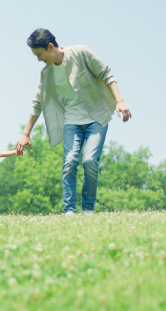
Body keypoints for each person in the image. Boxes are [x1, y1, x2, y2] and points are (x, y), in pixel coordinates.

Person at [13, 29, 132, 215]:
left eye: (39, 54)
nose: (38, 59)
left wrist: (120, 101)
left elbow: (106, 73)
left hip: (96, 118)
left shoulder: (80, 52)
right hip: (71, 121)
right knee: (69, 161)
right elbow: (37, 103)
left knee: (90, 160)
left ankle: (88, 209)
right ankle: (69, 210)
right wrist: (26, 134)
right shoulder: (46, 74)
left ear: (50, 47)